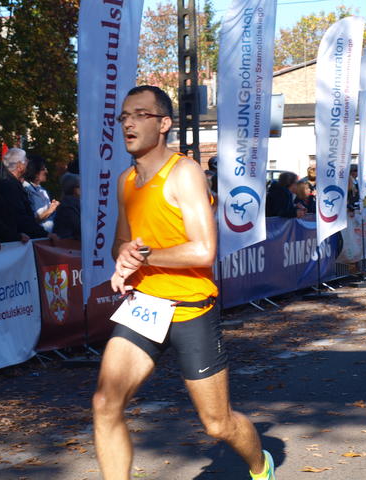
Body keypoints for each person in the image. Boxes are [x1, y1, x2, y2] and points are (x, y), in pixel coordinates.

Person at [92, 85, 275, 480]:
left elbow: (203, 250)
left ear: (164, 124)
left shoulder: (184, 173)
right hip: (145, 306)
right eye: (124, 116)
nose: (128, 123)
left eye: (140, 115)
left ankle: (261, 468)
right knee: (106, 403)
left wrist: (143, 256)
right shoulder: (126, 181)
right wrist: (124, 255)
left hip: (190, 310)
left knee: (217, 424)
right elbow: (120, 243)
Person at [0, 148, 55, 240]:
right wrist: (44, 234)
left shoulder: (13, 184)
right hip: (18, 241)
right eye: (26, 161)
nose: (28, 163)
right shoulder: (10, 186)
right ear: (19, 166)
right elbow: (21, 218)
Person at [23, 154, 59, 232]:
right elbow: (32, 220)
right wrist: (51, 209)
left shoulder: (42, 190)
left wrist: (53, 207)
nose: (46, 171)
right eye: (43, 169)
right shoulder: (25, 191)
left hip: (51, 234)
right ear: (35, 172)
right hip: (39, 236)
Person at [53, 172, 80, 240]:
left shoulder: (71, 203)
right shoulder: (68, 205)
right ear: (74, 189)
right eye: (80, 186)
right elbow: (79, 227)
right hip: (68, 243)